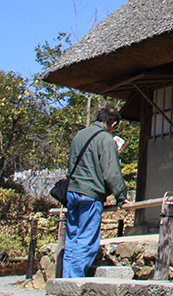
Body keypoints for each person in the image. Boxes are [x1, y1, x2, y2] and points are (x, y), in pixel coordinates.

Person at [63, 106, 131, 278]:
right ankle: (75, 281)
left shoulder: (79, 135)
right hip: (90, 193)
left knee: (72, 237)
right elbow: (111, 172)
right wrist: (121, 196)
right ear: (113, 123)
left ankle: (66, 278)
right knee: (87, 239)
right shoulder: (106, 139)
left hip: (72, 191)